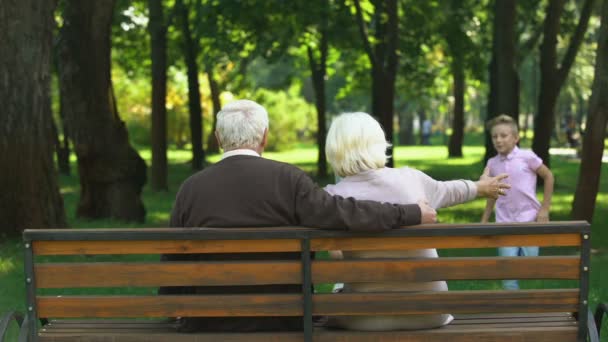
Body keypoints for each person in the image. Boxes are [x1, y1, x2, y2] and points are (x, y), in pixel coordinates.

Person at [161, 99, 437, 333]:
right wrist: (410, 212)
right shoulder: (289, 180)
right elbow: (344, 212)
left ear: (219, 138)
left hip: (208, 320)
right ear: (265, 137)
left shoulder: (191, 188)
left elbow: (173, 258)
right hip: (282, 318)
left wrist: (172, 306)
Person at [323, 112, 511, 331]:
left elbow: (335, 255)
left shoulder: (330, 198)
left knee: (339, 285)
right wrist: (479, 188)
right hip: (431, 312)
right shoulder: (411, 179)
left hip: (365, 318)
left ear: (335, 150)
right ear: (378, 143)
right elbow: (447, 191)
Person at [481, 114, 554, 290]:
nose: (498, 140)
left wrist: (545, 209)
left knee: (530, 265)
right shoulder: (492, 163)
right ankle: (512, 306)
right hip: (504, 224)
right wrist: (484, 219)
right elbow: (492, 194)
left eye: (503, 135)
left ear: (516, 138)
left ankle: (526, 302)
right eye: (494, 136)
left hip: (530, 221)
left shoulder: (527, 157)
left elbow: (549, 176)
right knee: (508, 272)